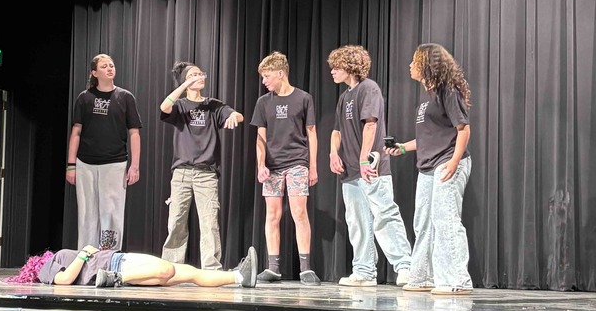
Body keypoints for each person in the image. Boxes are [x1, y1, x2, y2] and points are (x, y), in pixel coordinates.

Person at [385, 43, 472, 295]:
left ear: (427, 64)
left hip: (447, 161)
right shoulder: (426, 98)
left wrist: (454, 162)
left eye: (415, 61)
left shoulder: (448, 90)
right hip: (427, 166)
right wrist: (402, 148)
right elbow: (428, 137)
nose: (410, 65)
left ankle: (457, 280)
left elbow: (463, 129)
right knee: (422, 222)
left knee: (445, 220)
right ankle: (423, 276)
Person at [328, 45, 412, 288]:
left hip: (371, 166)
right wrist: (333, 152)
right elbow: (336, 130)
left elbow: (370, 125)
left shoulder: (369, 89)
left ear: (351, 66)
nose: (332, 71)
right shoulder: (344, 97)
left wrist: (364, 159)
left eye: (337, 66)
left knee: (384, 214)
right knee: (357, 221)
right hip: (350, 171)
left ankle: (405, 267)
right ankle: (364, 270)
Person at [159, 61, 243, 270]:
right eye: (195, 74)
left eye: (201, 74)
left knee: (209, 222)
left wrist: (234, 115)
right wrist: (183, 85)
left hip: (206, 173)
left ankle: (211, 268)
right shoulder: (179, 106)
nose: (201, 77)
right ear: (187, 81)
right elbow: (164, 107)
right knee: (176, 221)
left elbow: (237, 115)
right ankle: (171, 267)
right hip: (182, 172)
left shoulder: (213, 104)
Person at [250, 52, 320, 284]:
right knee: (273, 215)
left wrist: (312, 167)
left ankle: (305, 268)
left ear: (280, 74)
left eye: (267, 76)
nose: (264, 81)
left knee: (299, 213)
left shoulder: (303, 98)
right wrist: (260, 165)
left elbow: (311, 134)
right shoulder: (263, 102)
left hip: (297, 163)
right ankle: (273, 268)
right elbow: (260, 138)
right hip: (272, 167)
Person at [66, 54, 142, 251]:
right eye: (104, 66)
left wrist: (134, 166)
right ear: (94, 72)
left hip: (115, 163)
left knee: (111, 212)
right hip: (85, 163)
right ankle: (85, 256)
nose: (109, 68)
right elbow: (76, 132)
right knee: (87, 213)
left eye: (111, 65)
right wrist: (71, 165)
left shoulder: (125, 97)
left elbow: (134, 133)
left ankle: (108, 257)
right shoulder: (84, 98)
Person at [6, 245, 258, 289]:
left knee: (188, 272)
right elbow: (63, 282)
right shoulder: (47, 266)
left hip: (118, 261)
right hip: (117, 264)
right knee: (168, 270)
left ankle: (238, 277)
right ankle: (114, 279)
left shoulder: (54, 260)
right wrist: (83, 254)